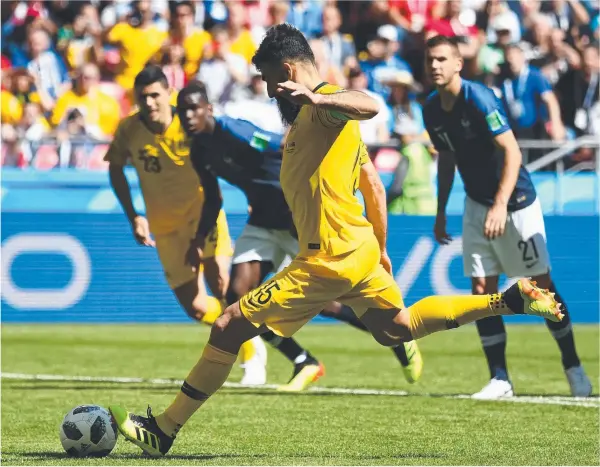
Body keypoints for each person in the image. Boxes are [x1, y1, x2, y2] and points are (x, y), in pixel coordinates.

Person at [109, 25, 564, 457]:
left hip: (327, 258)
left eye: (269, 78)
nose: (268, 91)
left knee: (229, 324)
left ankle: (164, 429)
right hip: (357, 250)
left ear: (288, 70)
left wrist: (313, 95)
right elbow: (373, 186)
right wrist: (381, 248)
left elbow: (370, 104)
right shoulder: (322, 121)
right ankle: (508, 301)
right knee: (397, 328)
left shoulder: (323, 106)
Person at [176, 80, 423, 390]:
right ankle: (303, 361)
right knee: (238, 296)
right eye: (182, 111)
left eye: (194, 109)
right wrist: (199, 239)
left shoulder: (233, 131)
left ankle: (398, 338)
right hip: (264, 222)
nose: (187, 116)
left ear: (208, 109)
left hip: (299, 220)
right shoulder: (198, 150)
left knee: (331, 302)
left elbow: (280, 146)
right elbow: (213, 199)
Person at [422, 35, 592, 400]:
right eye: (429, 60)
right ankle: (500, 378)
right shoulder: (431, 108)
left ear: (457, 64)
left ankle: (573, 366)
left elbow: (513, 152)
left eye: (441, 59)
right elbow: (448, 159)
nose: (434, 66)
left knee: (542, 288)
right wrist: (439, 211)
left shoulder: (479, 98)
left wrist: (500, 204)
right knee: (481, 293)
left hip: (516, 203)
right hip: (475, 203)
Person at [104, 65, 266, 385]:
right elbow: (115, 170)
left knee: (222, 286)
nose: (149, 103)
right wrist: (134, 215)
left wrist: (254, 189)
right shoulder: (128, 130)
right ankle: (244, 330)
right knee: (194, 307)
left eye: (155, 95)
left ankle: (251, 353)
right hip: (165, 227)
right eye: (143, 97)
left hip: (202, 215)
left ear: (169, 94)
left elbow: (232, 152)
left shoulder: (189, 123)